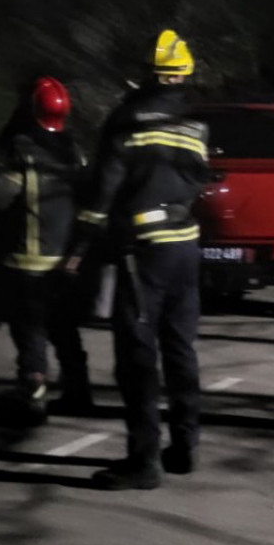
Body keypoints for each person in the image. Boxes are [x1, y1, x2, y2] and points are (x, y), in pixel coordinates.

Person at [69, 29, 211, 490]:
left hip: (143, 250)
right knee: (180, 348)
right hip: (185, 245)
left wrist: (80, 245)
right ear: (185, 74)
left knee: (136, 353)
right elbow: (198, 178)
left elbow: (102, 191)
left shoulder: (126, 118)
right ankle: (185, 447)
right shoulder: (196, 122)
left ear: (147, 73)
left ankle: (143, 460)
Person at [0, 75, 92, 427]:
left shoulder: (20, 152)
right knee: (66, 330)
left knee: (30, 332)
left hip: (27, 262)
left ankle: (34, 394)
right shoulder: (74, 151)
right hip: (66, 261)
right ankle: (79, 392)